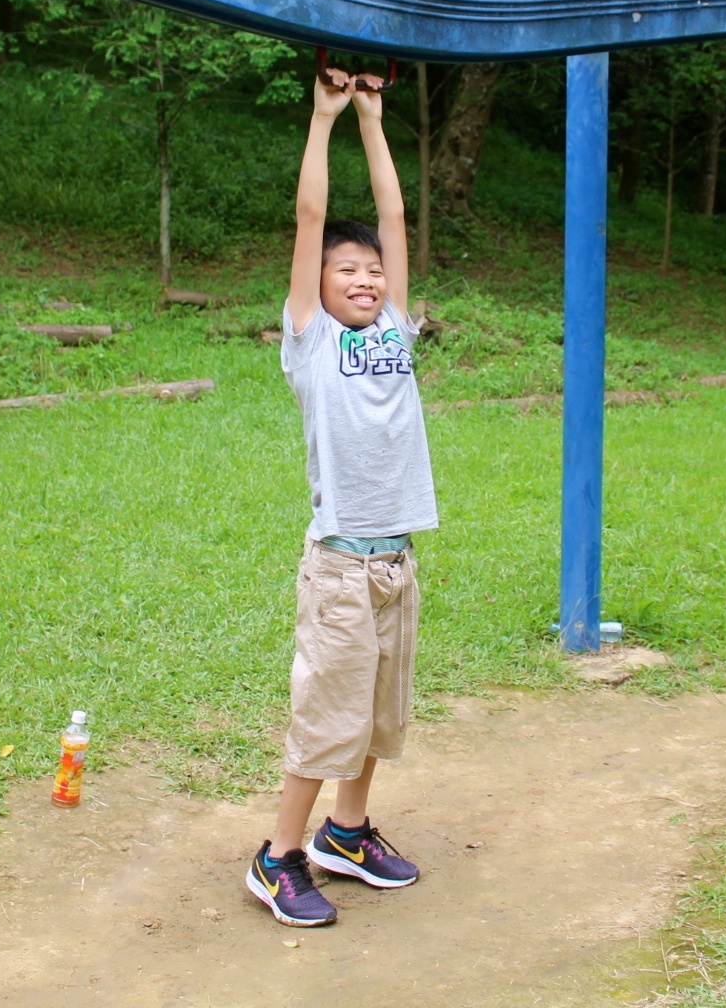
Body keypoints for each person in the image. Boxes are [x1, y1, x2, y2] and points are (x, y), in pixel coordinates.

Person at [245, 66, 437, 928]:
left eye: (371, 272)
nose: (363, 279)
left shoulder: (394, 328)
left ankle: (346, 833)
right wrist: (324, 118)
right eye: (346, 271)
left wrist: (373, 118)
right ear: (317, 289)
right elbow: (313, 218)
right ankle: (278, 853)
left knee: (376, 714)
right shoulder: (310, 344)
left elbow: (393, 216)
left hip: (396, 559)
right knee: (328, 716)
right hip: (339, 568)